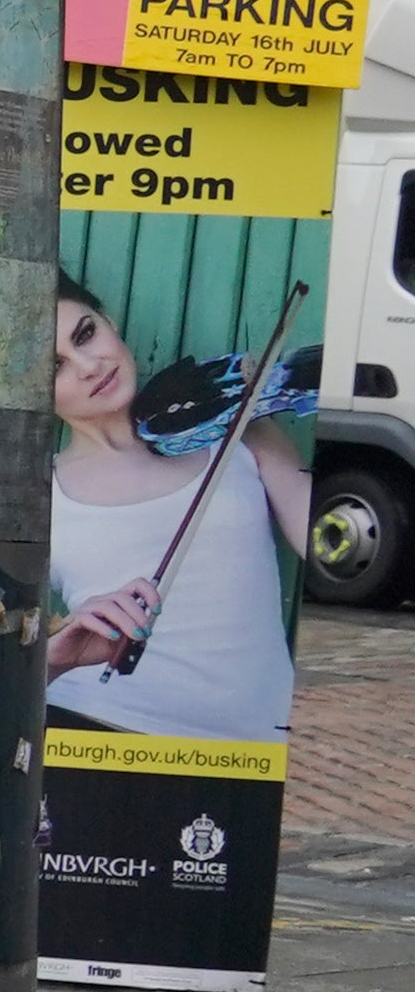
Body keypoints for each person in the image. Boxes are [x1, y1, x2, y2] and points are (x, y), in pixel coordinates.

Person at [47, 283, 312, 746]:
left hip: (249, 748)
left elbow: (323, 537)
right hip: (95, 729)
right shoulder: (36, 492)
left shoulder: (236, 426)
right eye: (56, 366)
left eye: (86, 334)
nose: (90, 367)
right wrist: (58, 656)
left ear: (108, 322)